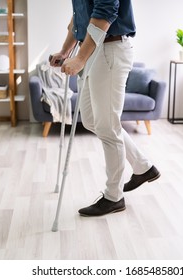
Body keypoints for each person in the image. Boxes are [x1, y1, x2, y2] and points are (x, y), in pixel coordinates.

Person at [50, 0, 160, 217]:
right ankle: (143, 167)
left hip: (109, 48)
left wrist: (80, 58)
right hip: (92, 48)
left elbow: (106, 11)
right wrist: (65, 51)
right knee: (92, 121)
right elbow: (79, 17)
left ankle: (114, 197)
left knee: (108, 127)